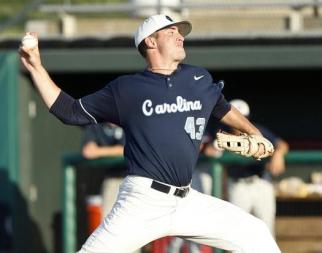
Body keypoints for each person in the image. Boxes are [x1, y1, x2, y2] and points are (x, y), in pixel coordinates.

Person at [19, 14, 281, 253]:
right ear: (150, 42)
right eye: (171, 32)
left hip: (187, 199)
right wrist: (36, 68)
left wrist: (253, 132)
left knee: (255, 235)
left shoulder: (198, 79)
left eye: (180, 32)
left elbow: (222, 107)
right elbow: (70, 111)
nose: (180, 36)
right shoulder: (126, 89)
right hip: (143, 201)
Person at [226, 99, 289, 235]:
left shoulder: (256, 130)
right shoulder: (221, 132)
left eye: (244, 117)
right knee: (238, 233)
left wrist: (278, 154)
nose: (239, 122)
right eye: (236, 117)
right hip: (238, 185)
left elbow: (282, 144)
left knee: (267, 231)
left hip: (261, 182)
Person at [81, 123, 126, 218]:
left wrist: (99, 151)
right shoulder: (96, 124)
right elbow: (88, 151)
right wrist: (115, 151)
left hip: (137, 177)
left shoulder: (129, 118)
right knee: (109, 219)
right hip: (112, 179)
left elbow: (128, 149)